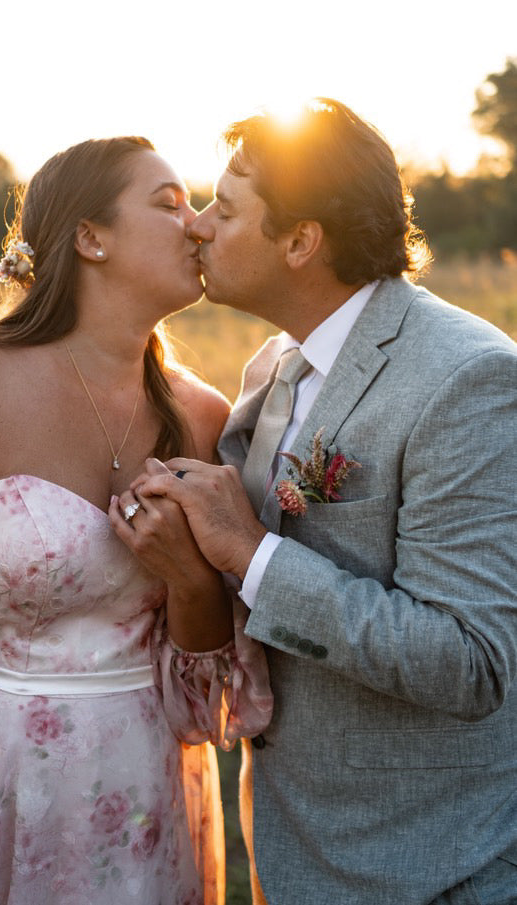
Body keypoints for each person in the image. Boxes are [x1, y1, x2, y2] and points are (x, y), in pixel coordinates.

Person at [126, 100, 517, 905]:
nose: (197, 227)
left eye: (223, 209)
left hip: (430, 866)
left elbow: (472, 659)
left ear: (301, 241)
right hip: (293, 841)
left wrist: (250, 552)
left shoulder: (466, 378)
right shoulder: (275, 364)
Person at [0, 136, 272, 905]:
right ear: (90, 237)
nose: (197, 225)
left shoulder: (202, 417)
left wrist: (185, 575)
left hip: (136, 789)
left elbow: (205, 683)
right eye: (168, 204)